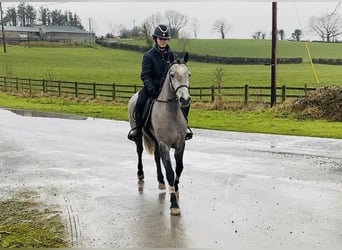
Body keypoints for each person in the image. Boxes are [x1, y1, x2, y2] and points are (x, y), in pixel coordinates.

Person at [128, 24, 193, 142]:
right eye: (160, 39)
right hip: (151, 87)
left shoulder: (173, 55)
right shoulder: (148, 56)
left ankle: (184, 126)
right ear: (156, 39)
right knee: (140, 102)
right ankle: (138, 129)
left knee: (185, 101)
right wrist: (151, 88)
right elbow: (145, 75)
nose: (163, 41)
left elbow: (177, 73)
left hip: (168, 89)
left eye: (165, 39)